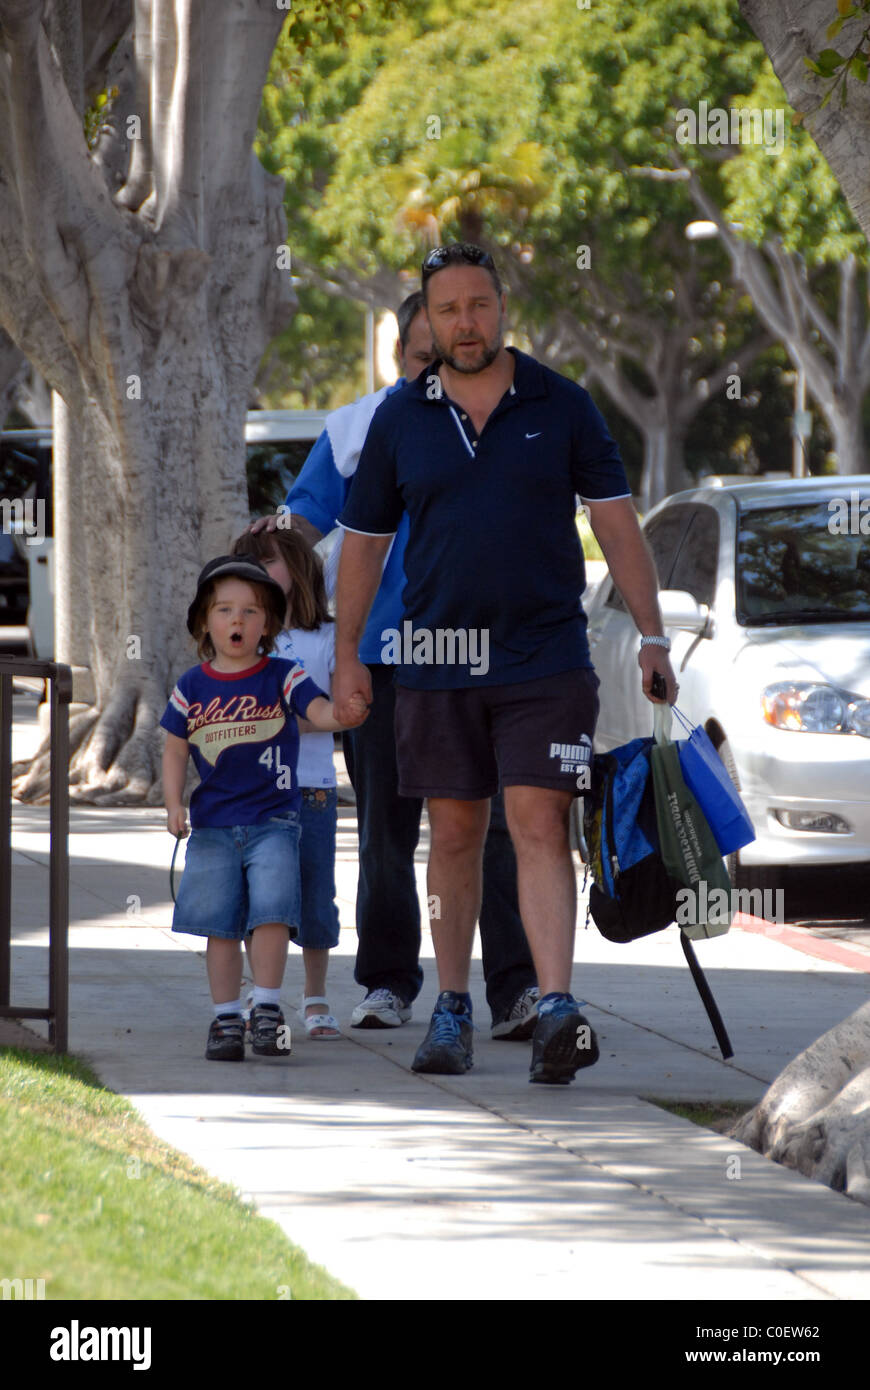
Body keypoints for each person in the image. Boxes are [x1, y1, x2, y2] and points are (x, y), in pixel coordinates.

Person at [333, 243, 678, 1085]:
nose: (465, 323)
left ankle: (555, 1004)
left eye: (478, 305)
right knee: (452, 834)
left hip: (545, 659)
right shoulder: (400, 419)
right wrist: (345, 655)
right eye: (447, 310)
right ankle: (450, 1007)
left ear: (501, 307)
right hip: (436, 660)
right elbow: (364, 549)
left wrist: (654, 635)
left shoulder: (561, 405)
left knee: (536, 824)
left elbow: (616, 524)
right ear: (426, 319)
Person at [249, 291, 539, 1040]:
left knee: (501, 827)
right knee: (387, 830)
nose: (434, 371)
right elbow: (304, 518)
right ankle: (386, 983)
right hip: (385, 660)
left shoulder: (503, 419)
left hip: (490, 660)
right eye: (421, 358)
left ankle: (516, 990)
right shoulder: (356, 428)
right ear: (399, 357)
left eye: (443, 356)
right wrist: (263, 551)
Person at [161, 555, 367, 1061]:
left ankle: (269, 1010)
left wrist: (338, 712)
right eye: (225, 610)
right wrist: (172, 804)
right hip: (212, 826)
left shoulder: (282, 675)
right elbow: (173, 745)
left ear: (269, 624)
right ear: (204, 622)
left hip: (276, 821)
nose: (238, 620)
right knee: (220, 926)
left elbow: (314, 708)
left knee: (272, 915)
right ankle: (226, 1018)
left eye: (251, 612)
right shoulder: (193, 685)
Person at [230, 526, 343, 1040]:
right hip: (252, 792)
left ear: (297, 570)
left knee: (316, 896)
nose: (257, 571)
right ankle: (263, 989)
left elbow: (342, 712)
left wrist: (279, 720)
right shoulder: (240, 640)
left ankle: (315, 994)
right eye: (247, 562)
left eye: (268, 560)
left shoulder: (329, 638)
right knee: (262, 897)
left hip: (313, 788)